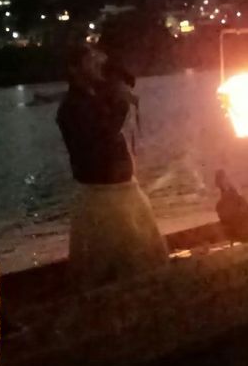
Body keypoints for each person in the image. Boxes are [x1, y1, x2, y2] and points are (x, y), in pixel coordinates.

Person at [56, 44, 167, 284]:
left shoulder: (94, 98)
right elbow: (103, 135)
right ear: (74, 69)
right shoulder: (73, 106)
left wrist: (120, 92)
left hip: (122, 191)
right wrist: (121, 101)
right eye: (90, 59)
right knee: (111, 264)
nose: (99, 62)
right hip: (102, 198)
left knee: (139, 257)